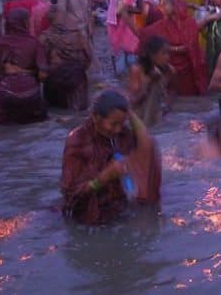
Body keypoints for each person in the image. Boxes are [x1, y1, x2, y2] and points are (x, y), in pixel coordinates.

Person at [61, 90, 162, 225]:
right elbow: (71, 194)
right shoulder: (78, 140)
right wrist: (103, 178)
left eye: (122, 123)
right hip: (90, 220)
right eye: (113, 124)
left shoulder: (121, 135)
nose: (118, 130)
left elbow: (147, 144)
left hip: (120, 211)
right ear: (96, 116)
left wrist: (128, 112)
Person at [0, 8, 47, 124]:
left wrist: (18, 71)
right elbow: (43, 75)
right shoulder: (34, 43)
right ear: (25, 23)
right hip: (31, 99)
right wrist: (27, 72)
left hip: (5, 99)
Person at [140, 0, 213, 96]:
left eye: (166, 4)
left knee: (189, 98)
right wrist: (126, 18)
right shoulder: (162, 24)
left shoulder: (190, 23)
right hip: (170, 67)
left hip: (189, 68)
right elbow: (144, 34)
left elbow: (191, 45)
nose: (163, 6)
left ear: (175, 6)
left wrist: (170, 49)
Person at [40, 5, 92, 110]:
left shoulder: (44, 38)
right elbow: (88, 59)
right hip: (77, 82)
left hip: (54, 82)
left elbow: (41, 70)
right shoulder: (79, 36)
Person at [129, 35, 172, 126]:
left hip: (157, 116)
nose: (168, 57)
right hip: (140, 118)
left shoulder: (168, 70)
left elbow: (173, 92)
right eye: (164, 53)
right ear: (152, 55)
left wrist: (167, 107)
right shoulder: (136, 70)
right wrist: (149, 82)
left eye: (168, 53)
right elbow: (133, 102)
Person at [107, 0, 141, 76]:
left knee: (131, 59)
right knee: (120, 70)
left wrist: (128, 8)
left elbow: (140, 9)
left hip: (129, 26)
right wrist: (124, 8)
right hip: (117, 25)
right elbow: (114, 9)